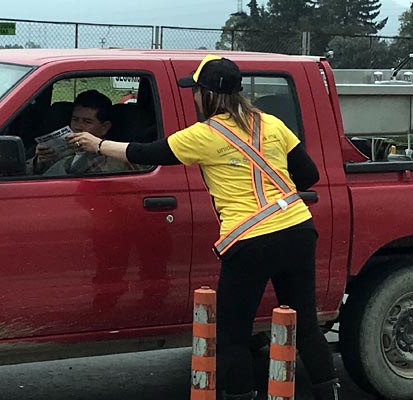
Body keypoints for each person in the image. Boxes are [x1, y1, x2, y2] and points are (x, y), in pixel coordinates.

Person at [66, 55, 340, 400]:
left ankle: (240, 394)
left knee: (231, 335)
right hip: (298, 228)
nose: (193, 96)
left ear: (207, 95)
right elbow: (308, 175)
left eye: (196, 90)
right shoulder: (270, 124)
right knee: (305, 325)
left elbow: (148, 151)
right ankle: (328, 393)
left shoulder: (204, 135)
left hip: (250, 238)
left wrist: (98, 145)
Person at [30, 90, 135, 175]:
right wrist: (39, 162)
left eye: (87, 122)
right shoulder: (60, 146)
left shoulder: (111, 159)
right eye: (75, 119)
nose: (77, 127)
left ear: (104, 127)